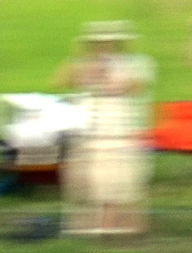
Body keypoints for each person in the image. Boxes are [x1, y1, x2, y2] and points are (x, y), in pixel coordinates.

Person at [56, 22, 154, 236]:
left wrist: (106, 72)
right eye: (99, 44)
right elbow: (62, 80)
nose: (104, 47)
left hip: (120, 131)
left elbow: (131, 86)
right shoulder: (85, 64)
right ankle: (98, 224)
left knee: (119, 182)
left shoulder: (136, 64)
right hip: (93, 132)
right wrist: (80, 60)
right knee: (95, 181)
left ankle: (113, 227)